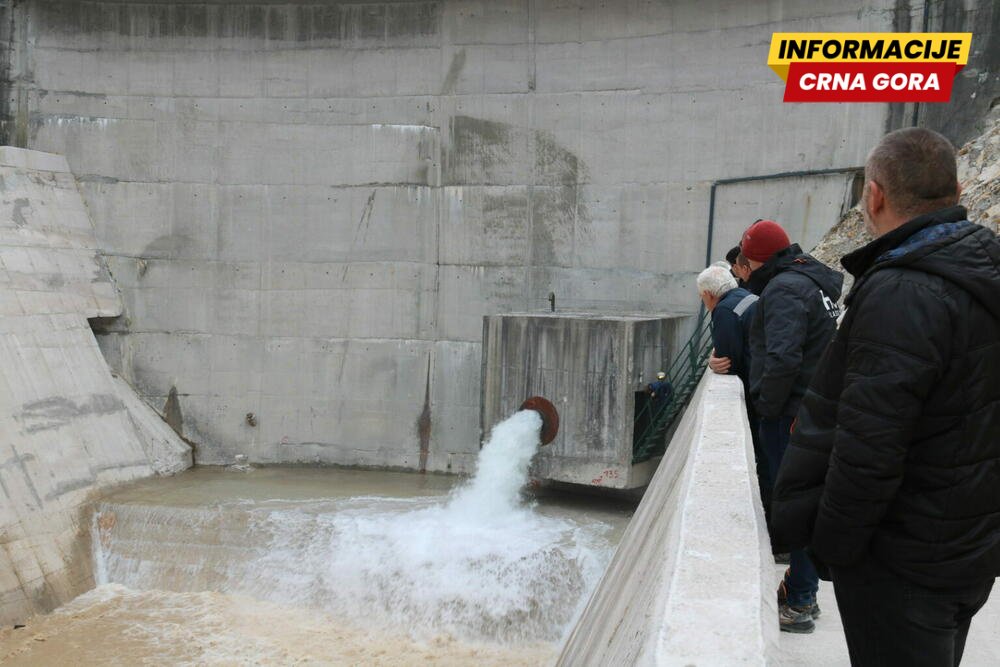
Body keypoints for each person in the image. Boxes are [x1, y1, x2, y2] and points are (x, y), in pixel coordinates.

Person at [771, 127, 1000, 664]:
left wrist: (833, 549)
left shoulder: (903, 292)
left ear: (873, 196)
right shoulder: (983, 269)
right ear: (958, 191)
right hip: (966, 547)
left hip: (902, 562)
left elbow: (868, 450)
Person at [741, 218, 843, 633]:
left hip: (790, 415)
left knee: (796, 505)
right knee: (806, 502)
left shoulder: (784, 289)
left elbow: (783, 357)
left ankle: (800, 600)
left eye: (746, 261)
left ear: (756, 259)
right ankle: (803, 590)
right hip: (814, 408)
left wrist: (767, 407)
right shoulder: (812, 281)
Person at [697, 264, 769, 510]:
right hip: (770, 378)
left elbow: (726, 361)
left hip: (756, 387)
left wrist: (712, 362)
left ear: (709, 294)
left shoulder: (724, 310)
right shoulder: (747, 296)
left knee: (763, 453)